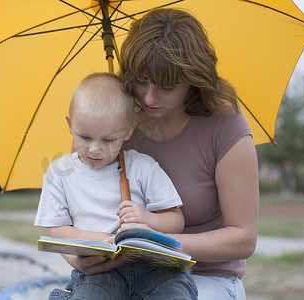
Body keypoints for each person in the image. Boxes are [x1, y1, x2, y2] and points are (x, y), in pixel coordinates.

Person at [62, 9, 259, 300]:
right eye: (142, 81)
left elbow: (243, 238)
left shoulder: (225, 125)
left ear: (193, 79)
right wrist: (78, 259)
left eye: (167, 86)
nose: (150, 98)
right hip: (117, 276)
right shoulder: (108, 121)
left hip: (207, 277)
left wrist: (156, 242)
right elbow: (70, 218)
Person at [35, 72, 198, 299]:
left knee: (174, 292)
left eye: (109, 140)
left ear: (128, 131)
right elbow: (57, 230)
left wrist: (147, 219)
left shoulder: (143, 167)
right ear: (70, 125)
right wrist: (99, 239)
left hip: (152, 269)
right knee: (90, 295)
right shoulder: (58, 173)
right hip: (98, 271)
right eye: (85, 137)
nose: (95, 149)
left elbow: (176, 219)